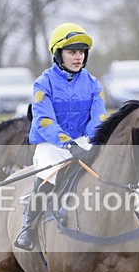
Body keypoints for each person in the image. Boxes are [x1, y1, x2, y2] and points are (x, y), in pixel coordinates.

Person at [13, 22, 107, 250]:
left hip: (83, 141)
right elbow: (44, 121)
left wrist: (92, 141)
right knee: (48, 173)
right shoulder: (43, 83)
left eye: (81, 52)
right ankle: (28, 225)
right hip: (51, 144)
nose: (78, 57)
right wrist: (67, 143)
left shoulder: (93, 83)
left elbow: (99, 118)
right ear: (58, 54)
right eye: (72, 52)